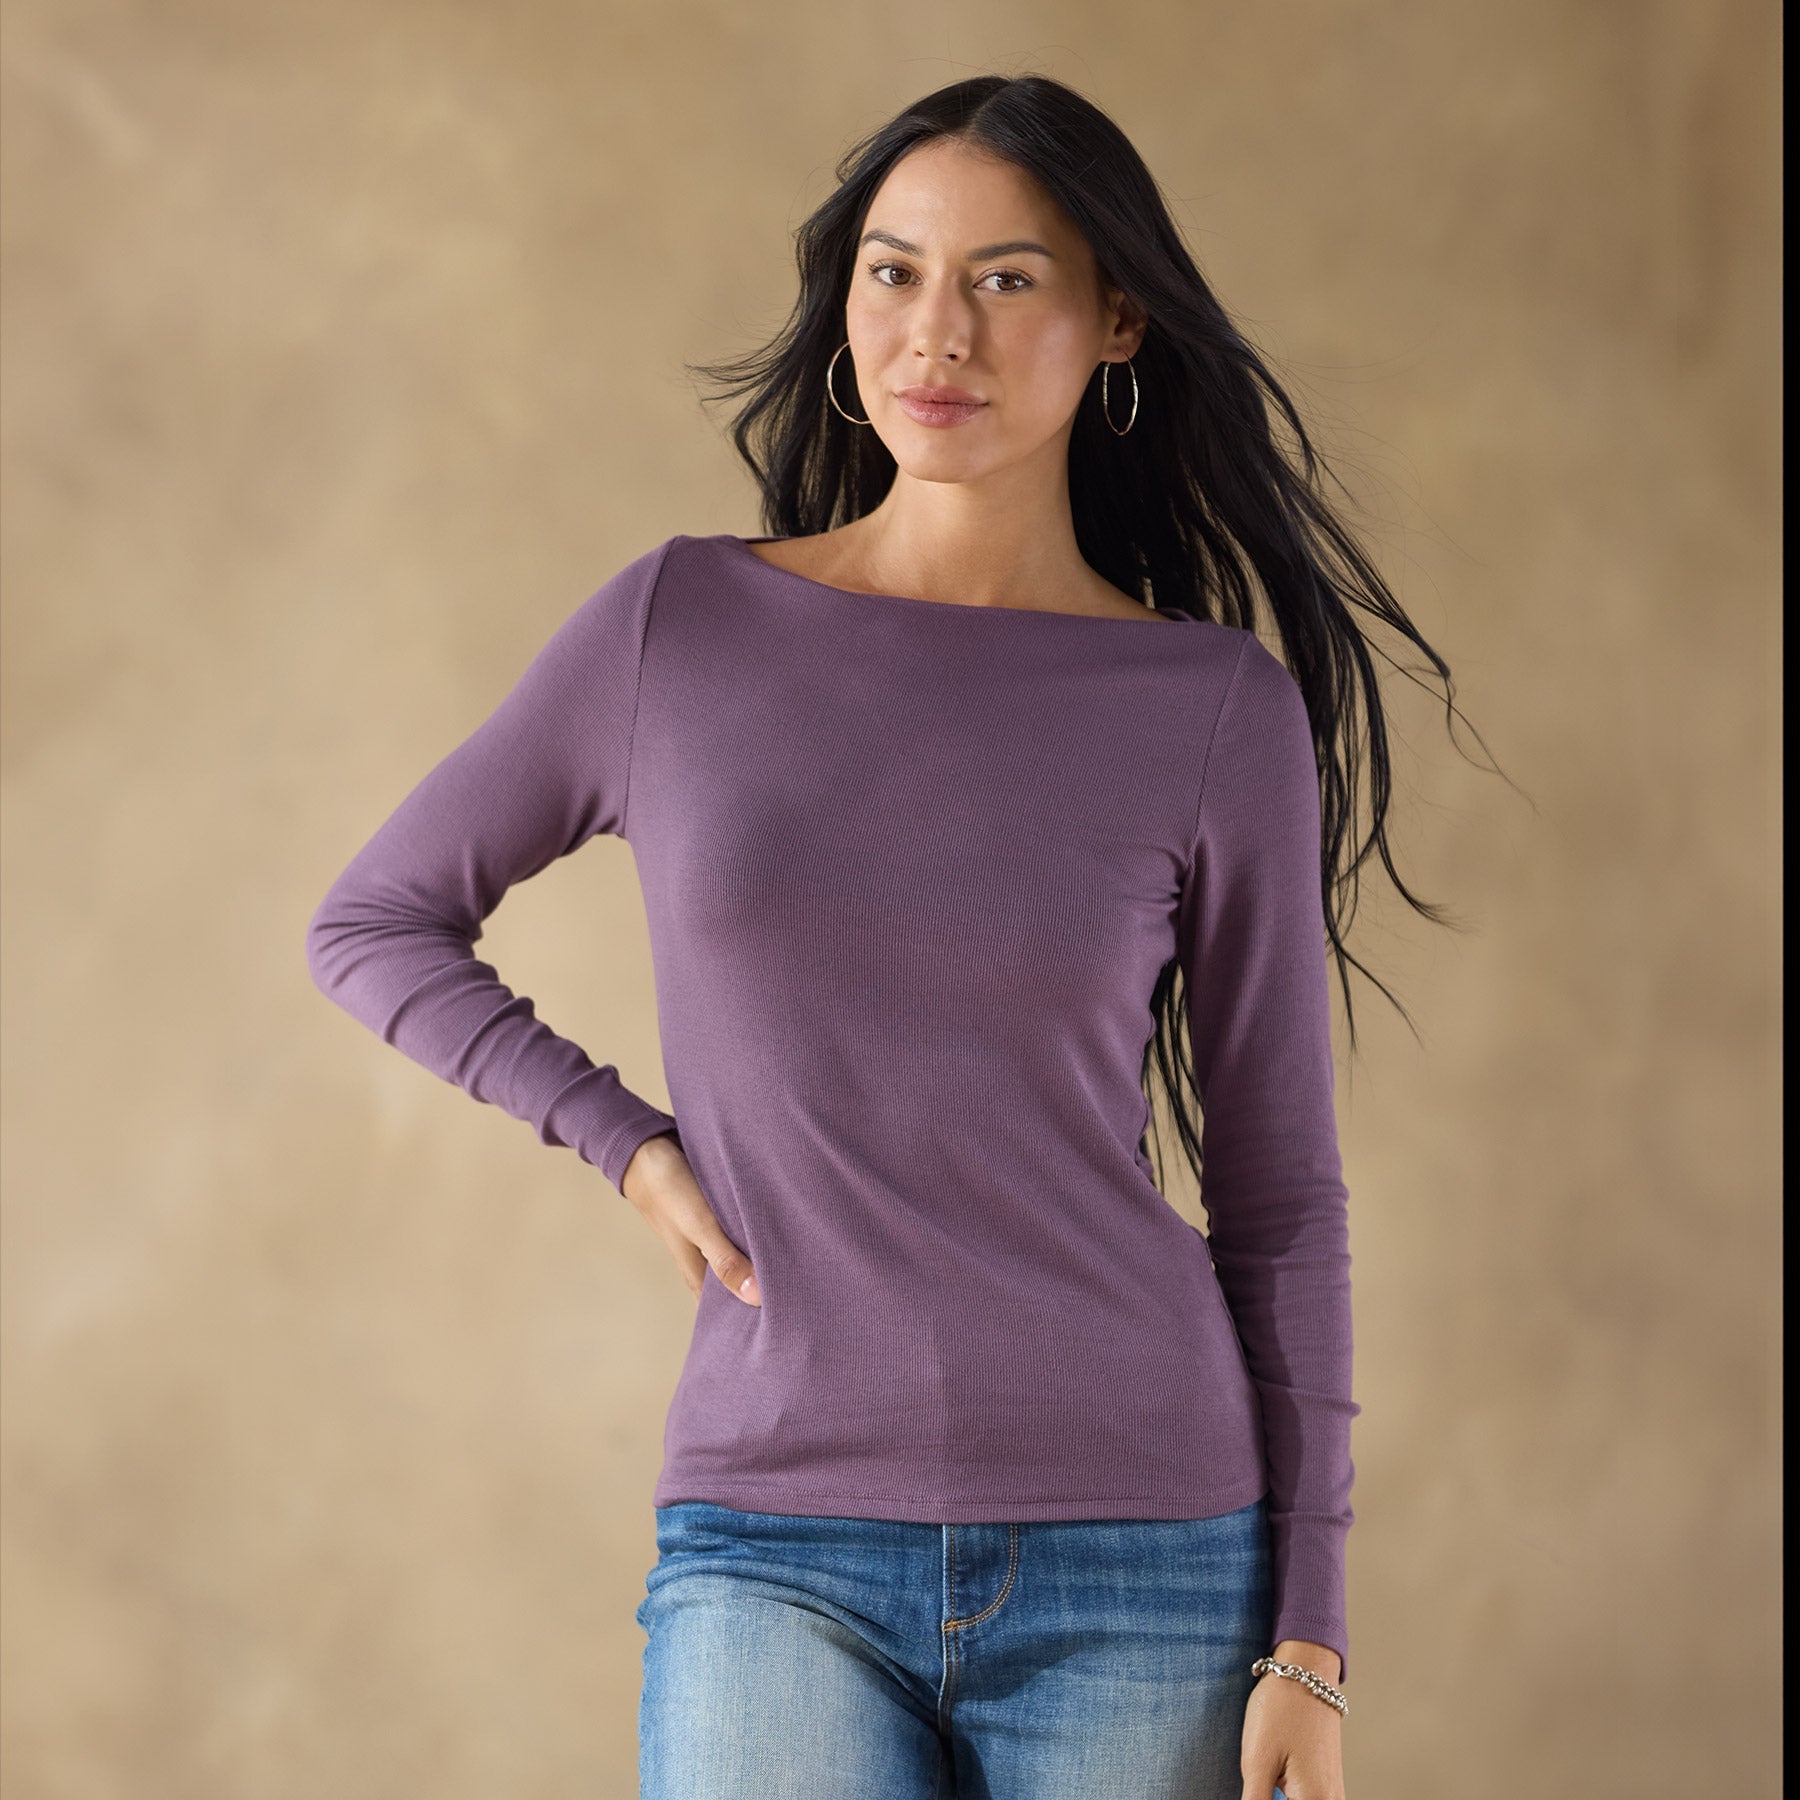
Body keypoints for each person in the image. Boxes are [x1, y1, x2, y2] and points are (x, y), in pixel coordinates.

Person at [308, 72, 1473, 1800]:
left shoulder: (1213, 710)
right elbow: (376, 922)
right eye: (894, 271)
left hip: (1145, 1557)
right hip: (773, 1536)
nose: (939, 333)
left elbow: (1282, 1197)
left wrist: (1311, 1639)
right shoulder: (681, 630)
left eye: (1007, 279)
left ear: (1118, 322)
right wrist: (626, 1143)